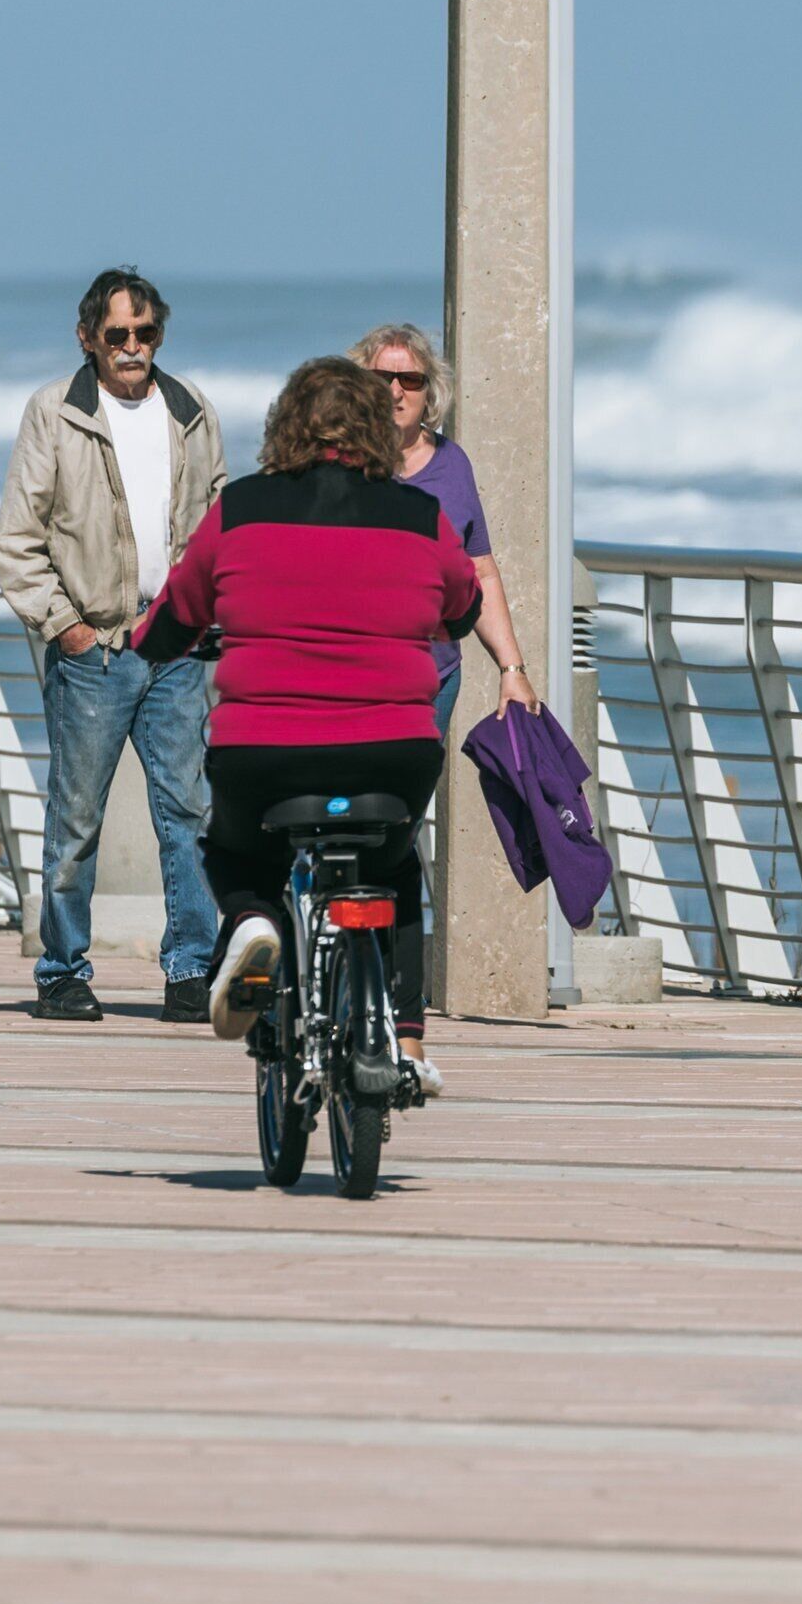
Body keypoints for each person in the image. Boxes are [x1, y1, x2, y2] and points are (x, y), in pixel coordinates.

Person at [157, 357, 477, 1092]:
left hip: (264, 752)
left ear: (286, 424)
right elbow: (462, 605)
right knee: (394, 871)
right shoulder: (419, 516)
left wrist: (155, 646)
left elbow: (178, 612)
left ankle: (252, 925)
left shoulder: (240, 508)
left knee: (238, 855)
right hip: (393, 752)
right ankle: (407, 1040)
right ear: (376, 429)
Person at [0, 267, 227, 1022]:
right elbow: (18, 540)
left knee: (188, 816)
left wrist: (210, 611)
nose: (133, 349)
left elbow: (221, 522)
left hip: (178, 647)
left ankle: (192, 970)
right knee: (76, 820)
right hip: (92, 650)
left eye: (146, 333)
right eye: (118, 335)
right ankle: (62, 971)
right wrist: (65, 626)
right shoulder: (54, 413)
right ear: (87, 337)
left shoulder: (190, 411)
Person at [351, 324, 540, 729]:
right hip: (351, 684)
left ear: (429, 391)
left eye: (411, 380)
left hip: (433, 683)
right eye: (380, 378)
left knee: (405, 796)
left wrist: (512, 671)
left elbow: (481, 570)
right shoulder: (337, 462)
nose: (395, 392)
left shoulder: (453, 464)